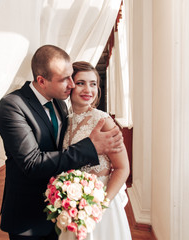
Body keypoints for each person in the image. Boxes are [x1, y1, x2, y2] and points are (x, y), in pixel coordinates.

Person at [0, 45, 123, 240]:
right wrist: (92, 146)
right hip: (28, 214)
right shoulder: (12, 106)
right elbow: (32, 163)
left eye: (72, 76)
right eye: (65, 79)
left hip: (65, 212)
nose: (71, 84)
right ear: (41, 81)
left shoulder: (60, 103)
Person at [59, 61, 132, 240]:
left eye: (93, 84)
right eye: (81, 83)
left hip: (100, 203)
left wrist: (100, 206)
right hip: (73, 204)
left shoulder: (103, 120)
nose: (88, 90)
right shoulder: (65, 120)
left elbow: (123, 168)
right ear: (70, 85)